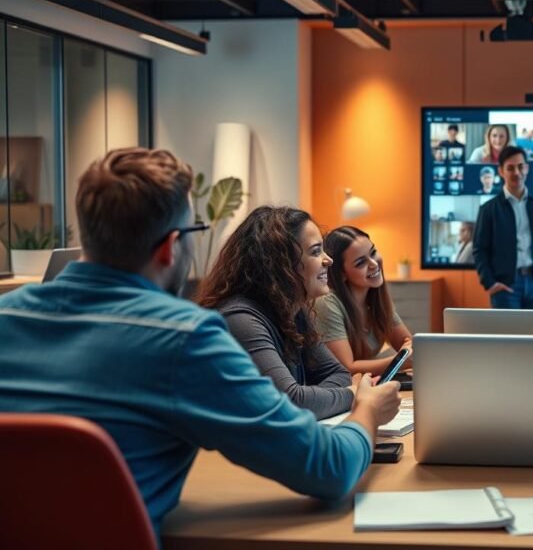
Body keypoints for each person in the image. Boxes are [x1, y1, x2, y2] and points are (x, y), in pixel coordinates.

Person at [0, 148, 400, 534]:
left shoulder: (6, 315)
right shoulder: (184, 338)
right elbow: (328, 468)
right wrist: (365, 409)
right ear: (171, 246)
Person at [197, 207, 359, 421]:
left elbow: (338, 374)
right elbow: (290, 402)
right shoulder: (240, 319)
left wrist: (318, 399)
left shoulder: (292, 310)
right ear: (280, 265)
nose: (328, 260)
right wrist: (352, 395)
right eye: (315, 251)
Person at [473, 146, 533, 325]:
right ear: (501, 171)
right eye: (510, 168)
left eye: (520, 166)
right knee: (508, 346)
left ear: (527, 168)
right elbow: (479, 250)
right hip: (506, 286)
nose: (517, 172)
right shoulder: (489, 209)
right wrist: (490, 283)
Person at [316, 226, 414, 376]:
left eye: (373, 253)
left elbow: (407, 343)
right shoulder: (327, 303)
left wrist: (409, 352)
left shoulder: (375, 298)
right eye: (361, 262)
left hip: (367, 384)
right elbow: (346, 368)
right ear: (341, 273)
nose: (374, 264)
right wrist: (400, 360)